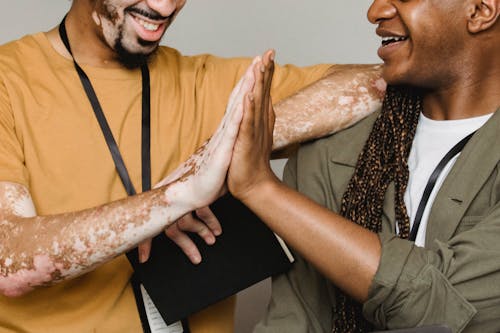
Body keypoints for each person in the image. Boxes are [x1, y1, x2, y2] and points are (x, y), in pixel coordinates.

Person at [0, 0, 386, 332]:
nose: (166, 7)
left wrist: (228, 144)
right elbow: (9, 259)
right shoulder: (9, 81)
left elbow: (380, 82)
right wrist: (172, 199)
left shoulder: (206, 81)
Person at [226, 0, 500, 332]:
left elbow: (441, 303)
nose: (376, 11)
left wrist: (261, 188)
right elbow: (295, 320)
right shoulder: (328, 152)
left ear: (481, 10)